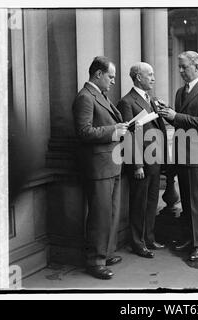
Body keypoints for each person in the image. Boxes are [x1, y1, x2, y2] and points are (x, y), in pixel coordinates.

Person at [72, 56, 128, 280]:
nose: (113, 81)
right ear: (98, 74)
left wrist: (119, 128)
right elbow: (83, 132)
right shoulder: (85, 97)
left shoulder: (99, 95)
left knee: (110, 213)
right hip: (98, 167)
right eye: (111, 76)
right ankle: (95, 261)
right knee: (100, 215)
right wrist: (114, 130)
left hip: (109, 164)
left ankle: (105, 253)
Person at [158, 51, 198, 261]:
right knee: (185, 199)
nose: (181, 71)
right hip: (182, 153)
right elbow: (180, 122)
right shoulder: (179, 92)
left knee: (197, 201)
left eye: (184, 67)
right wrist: (167, 114)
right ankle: (188, 238)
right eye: (180, 67)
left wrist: (176, 115)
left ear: (196, 65)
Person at [117, 62, 167, 259]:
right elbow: (129, 136)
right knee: (139, 203)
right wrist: (137, 164)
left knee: (152, 202)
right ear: (138, 77)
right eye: (150, 74)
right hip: (141, 164)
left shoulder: (151, 100)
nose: (154, 78)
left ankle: (149, 238)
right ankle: (138, 243)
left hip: (155, 160)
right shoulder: (127, 102)